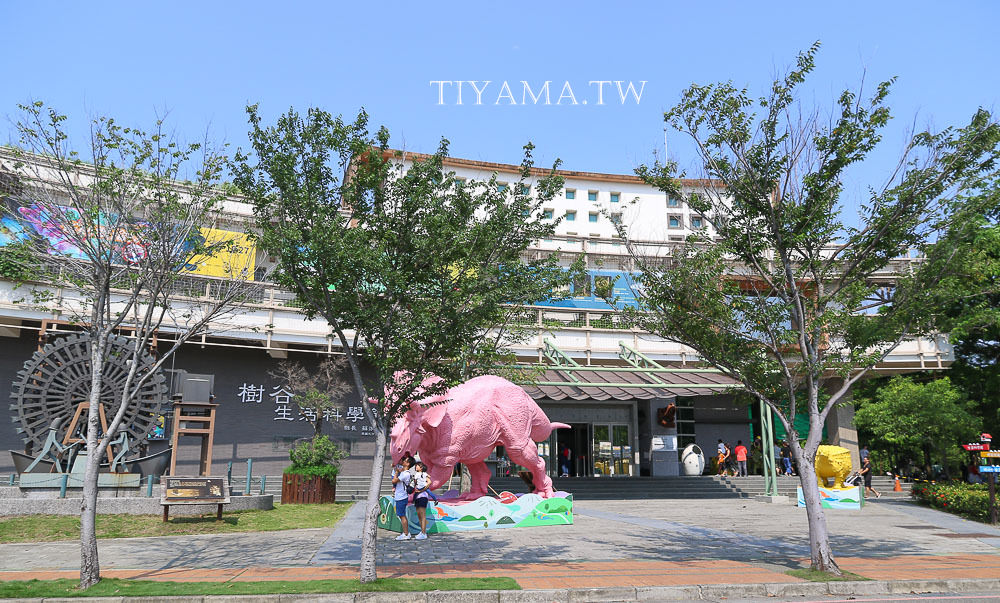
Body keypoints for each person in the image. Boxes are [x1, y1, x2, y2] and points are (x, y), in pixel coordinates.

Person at [390, 456, 414, 540]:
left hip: (401, 497)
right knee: (401, 515)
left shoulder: (406, 474)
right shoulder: (404, 472)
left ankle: (406, 534)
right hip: (400, 496)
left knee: (402, 515)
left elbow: (394, 481)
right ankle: (406, 533)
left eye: (405, 460)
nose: (403, 461)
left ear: (408, 463)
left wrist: (396, 472)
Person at [411, 461, 432, 540]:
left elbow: (429, 482)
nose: (416, 467)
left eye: (418, 466)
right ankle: (422, 531)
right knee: (419, 514)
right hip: (417, 496)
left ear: (422, 467)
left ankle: (424, 533)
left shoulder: (424, 474)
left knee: (422, 515)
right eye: (416, 466)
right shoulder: (417, 475)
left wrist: (422, 489)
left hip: (423, 496)